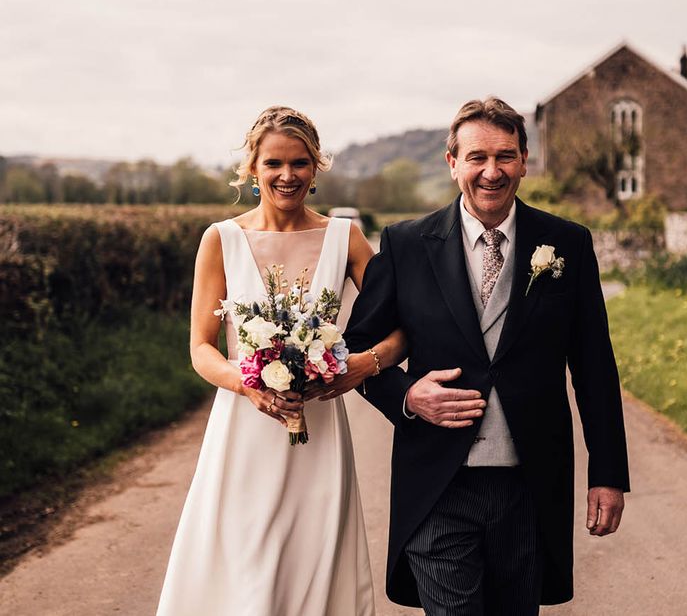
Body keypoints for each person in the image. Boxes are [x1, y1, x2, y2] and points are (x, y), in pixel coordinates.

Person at [339, 97, 631, 615]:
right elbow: (357, 351)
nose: (491, 172)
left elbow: (594, 367)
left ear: (524, 161)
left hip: (530, 485)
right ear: (452, 163)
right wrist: (409, 397)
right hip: (437, 486)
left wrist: (607, 473)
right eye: (477, 157)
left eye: (505, 156)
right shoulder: (407, 244)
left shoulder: (567, 243)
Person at [157, 106, 404, 616]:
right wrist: (247, 384)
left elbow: (404, 326)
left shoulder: (346, 238)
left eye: (299, 163)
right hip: (243, 428)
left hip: (321, 433)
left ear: (316, 169)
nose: (286, 176)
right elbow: (202, 347)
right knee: (245, 561)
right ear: (252, 168)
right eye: (273, 163)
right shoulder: (220, 240)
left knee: (312, 560)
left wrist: (362, 364)